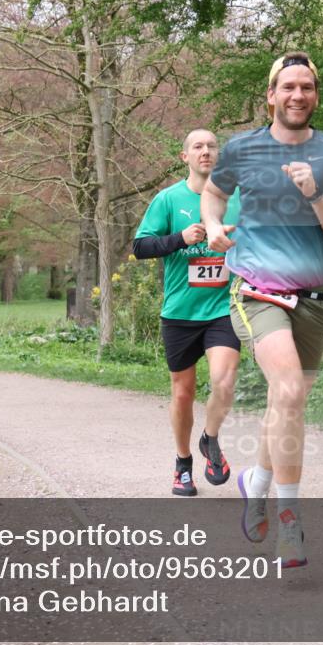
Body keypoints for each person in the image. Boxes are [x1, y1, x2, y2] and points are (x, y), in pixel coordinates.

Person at [201, 52, 323, 568]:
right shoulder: (243, 148)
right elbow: (213, 194)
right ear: (270, 95)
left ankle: (258, 480)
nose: (297, 96)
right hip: (258, 292)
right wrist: (216, 225)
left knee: (286, 404)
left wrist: (315, 196)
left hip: (315, 303)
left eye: (307, 88)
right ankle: (289, 523)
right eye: (288, 87)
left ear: (316, 96)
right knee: (288, 390)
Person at [133, 129, 242, 496]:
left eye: (212, 146)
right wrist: (181, 239)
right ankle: (182, 462)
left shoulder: (237, 199)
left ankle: (210, 439)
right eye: (198, 147)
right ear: (186, 157)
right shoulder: (168, 200)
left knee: (224, 381)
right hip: (179, 312)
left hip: (222, 309)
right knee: (183, 393)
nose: (206, 151)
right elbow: (140, 247)